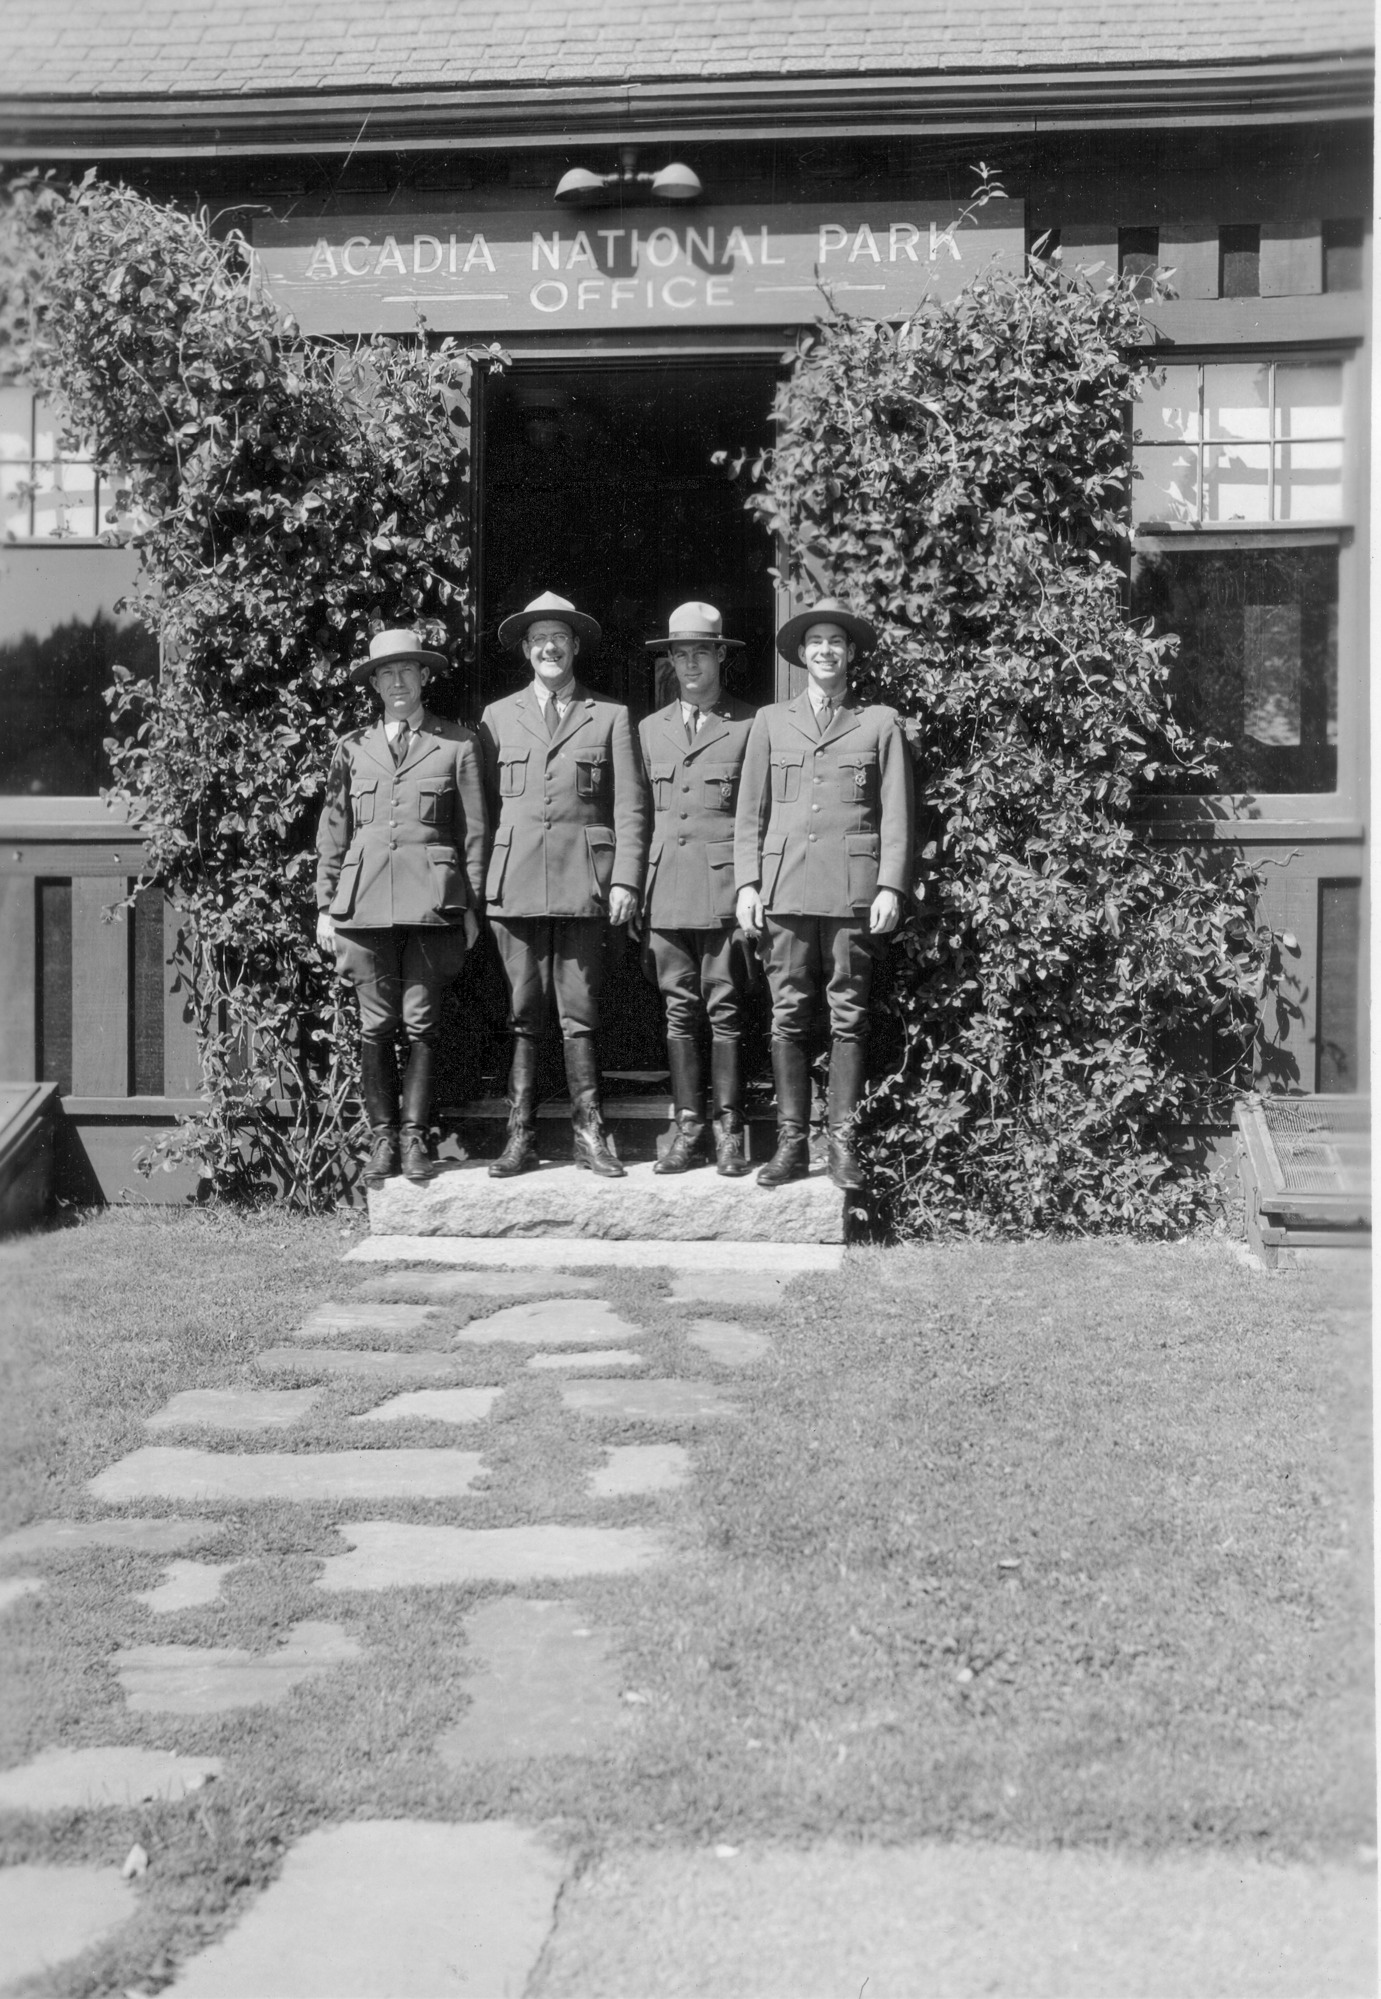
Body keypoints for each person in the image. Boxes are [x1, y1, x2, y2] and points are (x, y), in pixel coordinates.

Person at [734, 598, 914, 1191]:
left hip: (851, 892)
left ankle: (842, 1143)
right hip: (784, 889)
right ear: (802, 655)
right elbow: (750, 813)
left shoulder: (878, 722)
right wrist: (747, 883)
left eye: (836, 641)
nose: (826, 651)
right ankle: (791, 1143)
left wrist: (889, 884)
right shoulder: (770, 721)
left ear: (851, 654)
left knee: (848, 1016)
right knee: (787, 1013)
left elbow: (896, 815)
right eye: (816, 642)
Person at [479, 590, 648, 1179]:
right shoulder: (498, 717)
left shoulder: (610, 716)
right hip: (515, 884)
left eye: (560, 637)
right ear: (526, 650)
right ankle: (519, 1134)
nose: (549, 647)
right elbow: (480, 810)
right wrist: (481, 886)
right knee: (525, 1010)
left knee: (579, 1009)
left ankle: (589, 1133)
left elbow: (630, 807)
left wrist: (626, 877)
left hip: (586, 884)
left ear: (575, 646)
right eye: (538, 639)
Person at [315, 627, 488, 1188]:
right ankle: (383, 1138)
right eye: (385, 674)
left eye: (406, 672)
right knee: (375, 1023)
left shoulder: (457, 744)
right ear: (374, 685)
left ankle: (416, 1139)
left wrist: (473, 906)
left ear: (424, 678)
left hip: (434, 903)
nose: (396, 682)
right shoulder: (352, 748)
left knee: (422, 1022)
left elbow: (474, 833)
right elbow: (335, 831)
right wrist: (325, 905)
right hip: (363, 905)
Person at [638, 601, 757, 1175]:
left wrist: (750, 888)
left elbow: (754, 817)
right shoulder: (647, 729)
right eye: (679, 653)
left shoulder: (750, 725)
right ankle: (688, 1129)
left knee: (725, 1009)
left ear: (719, 658)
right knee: (678, 1012)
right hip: (665, 892)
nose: (689, 663)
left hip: (723, 889)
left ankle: (729, 1129)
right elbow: (636, 816)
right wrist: (631, 886)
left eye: (699, 652)